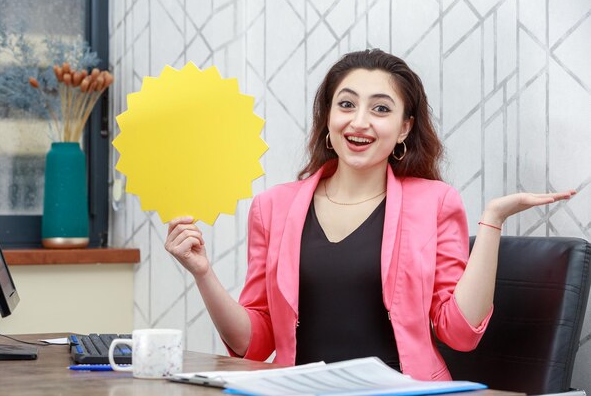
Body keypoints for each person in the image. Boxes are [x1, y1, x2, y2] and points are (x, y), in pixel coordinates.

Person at [165, 49, 574, 381]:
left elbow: (460, 332)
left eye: (381, 109)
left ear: (404, 128)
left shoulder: (436, 202)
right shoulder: (273, 206)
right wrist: (203, 273)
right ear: (328, 117)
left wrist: (492, 222)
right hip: (298, 391)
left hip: (402, 394)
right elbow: (254, 343)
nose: (359, 122)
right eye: (346, 105)